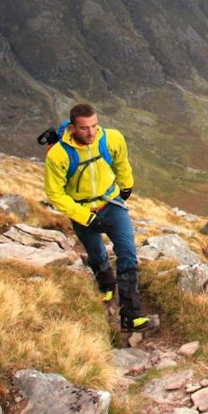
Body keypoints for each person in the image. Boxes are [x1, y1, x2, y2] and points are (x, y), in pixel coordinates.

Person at [44, 103, 156, 333]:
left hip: (111, 203)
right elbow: (55, 194)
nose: (91, 133)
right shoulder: (58, 154)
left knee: (127, 252)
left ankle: (131, 315)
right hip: (82, 210)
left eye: (95, 126)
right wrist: (86, 217)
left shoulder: (111, 139)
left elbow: (121, 161)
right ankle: (106, 284)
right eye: (85, 128)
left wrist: (126, 186)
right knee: (96, 252)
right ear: (73, 128)